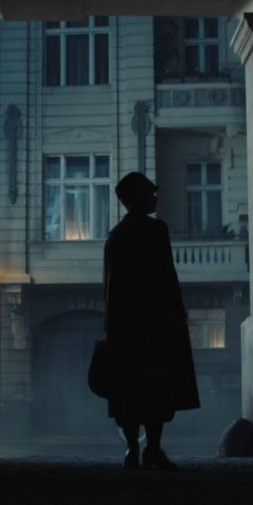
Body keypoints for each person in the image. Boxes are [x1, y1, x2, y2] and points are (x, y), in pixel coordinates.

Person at [103, 171, 200, 469]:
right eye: (151, 193)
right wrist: (176, 314)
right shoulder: (157, 230)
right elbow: (167, 276)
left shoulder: (116, 236)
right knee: (158, 387)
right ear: (139, 198)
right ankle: (153, 448)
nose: (156, 197)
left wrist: (112, 326)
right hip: (156, 322)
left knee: (129, 389)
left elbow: (111, 288)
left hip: (126, 326)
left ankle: (132, 449)